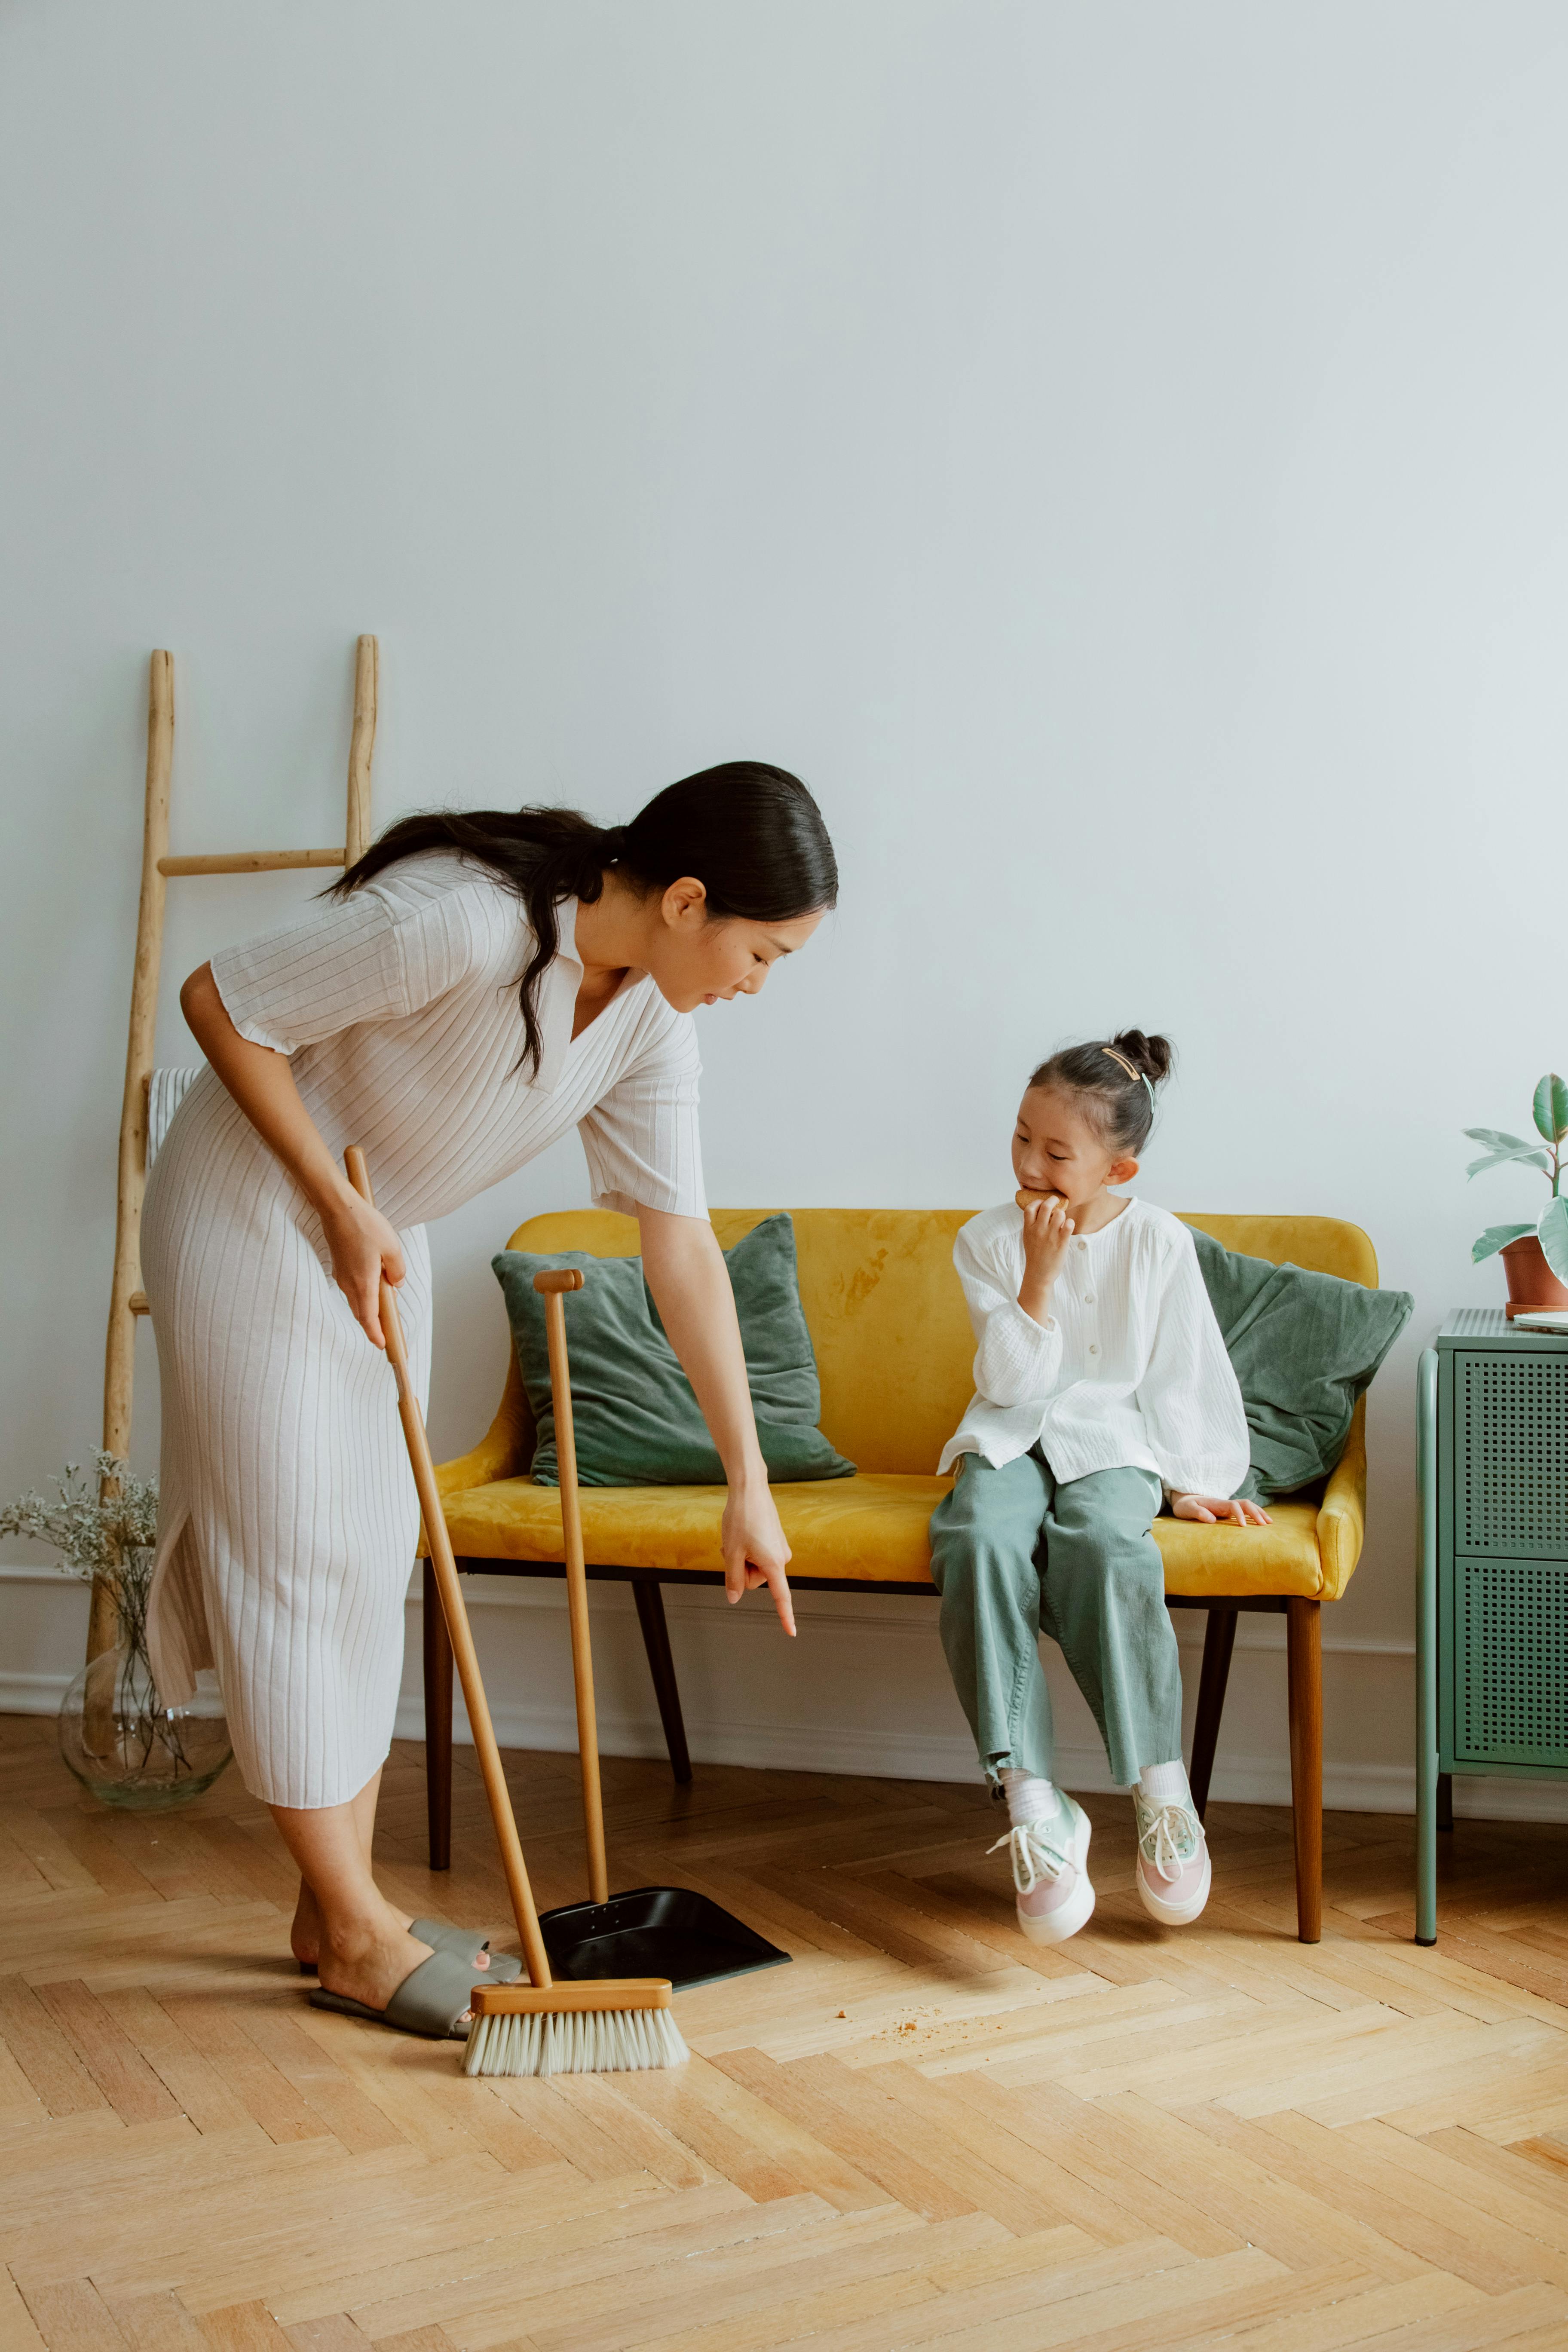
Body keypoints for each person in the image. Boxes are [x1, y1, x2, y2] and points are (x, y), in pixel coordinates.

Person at [142, 763, 835, 2035]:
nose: (759, 982)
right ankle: (355, 1930)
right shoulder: (462, 920)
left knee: (363, 1556)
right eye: (765, 951)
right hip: (250, 1207)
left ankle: (328, 1905)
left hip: (370, 1230)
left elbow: (681, 1250)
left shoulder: (651, 1024)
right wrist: (338, 1202)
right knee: (295, 1549)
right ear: (689, 900)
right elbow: (220, 1000)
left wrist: (749, 1483)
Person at [928, 1032, 1268, 1945]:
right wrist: (1040, 1276)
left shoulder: (1158, 1241)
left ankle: (1162, 1790)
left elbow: (1183, 1367)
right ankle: (1034, 1803)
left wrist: (1194, 1482)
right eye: (1020, 1138)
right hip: (1010, 1435)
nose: (1029, 1163)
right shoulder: (987, 1242)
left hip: (1115, 1444)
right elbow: (1007, 1385)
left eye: (1055, 1151)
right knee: (976, 1538)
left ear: (1118, 1166)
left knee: (1105, 1543)